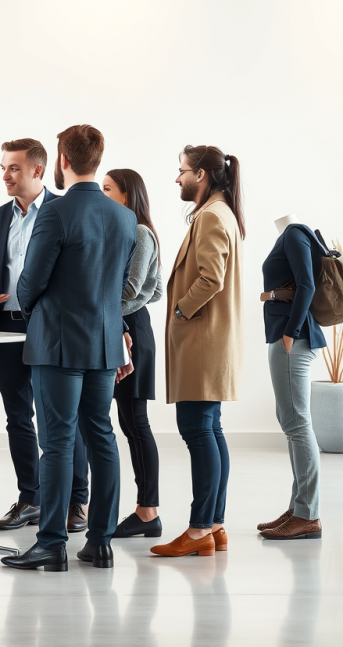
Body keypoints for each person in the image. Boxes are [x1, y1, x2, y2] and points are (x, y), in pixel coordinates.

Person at [2, 125, 137, 572]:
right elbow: (118, 287)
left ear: (61, 159)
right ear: (97, 159)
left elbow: (31, 283)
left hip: (57, 342)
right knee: (102, 438)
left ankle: (51, 543)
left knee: (57, 443)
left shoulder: (55, 214)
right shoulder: (122, 216)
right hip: (103, 342)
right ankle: (100, 542)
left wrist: (26, 300)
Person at [0, 138, 89, 533]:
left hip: (51, 327)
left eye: (14, 168)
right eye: (3, 167)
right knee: (18, 417)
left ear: (38, 171)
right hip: (6, 326)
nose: (5, 175)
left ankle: (76, 501)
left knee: (63, 417)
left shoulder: (62, 211)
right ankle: (31, 498)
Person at [150, 145, 244, 559]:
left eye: (183, 172)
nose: (178, 179)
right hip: (211, 341)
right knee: (210, 430)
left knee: (197, 430)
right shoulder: (222, 212)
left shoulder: (210, 216)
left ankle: (199, 528)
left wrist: (180, 309)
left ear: (202, 175)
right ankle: (216, 524)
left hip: (202, 341)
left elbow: (211, 278)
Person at [102, 169, 164, 538]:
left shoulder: (139, 233)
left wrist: (101, 309)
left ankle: (148, 511)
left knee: (135, 423)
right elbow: (152, 292)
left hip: (132, 333)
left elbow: (132, 290)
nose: (102, 194)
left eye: (107, 189)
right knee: (128, 422)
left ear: (126, 196)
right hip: (125, 326)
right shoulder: (127, 232)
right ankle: (146, 510)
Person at [258, 215, 325, 540]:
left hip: (294, 340)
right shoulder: (291, 236)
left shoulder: (295, 233)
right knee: (291, 421)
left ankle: (307, 515)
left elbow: (307, 284)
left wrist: (290, 332)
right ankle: (298, 507)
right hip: (289, 337)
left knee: (297, 423)